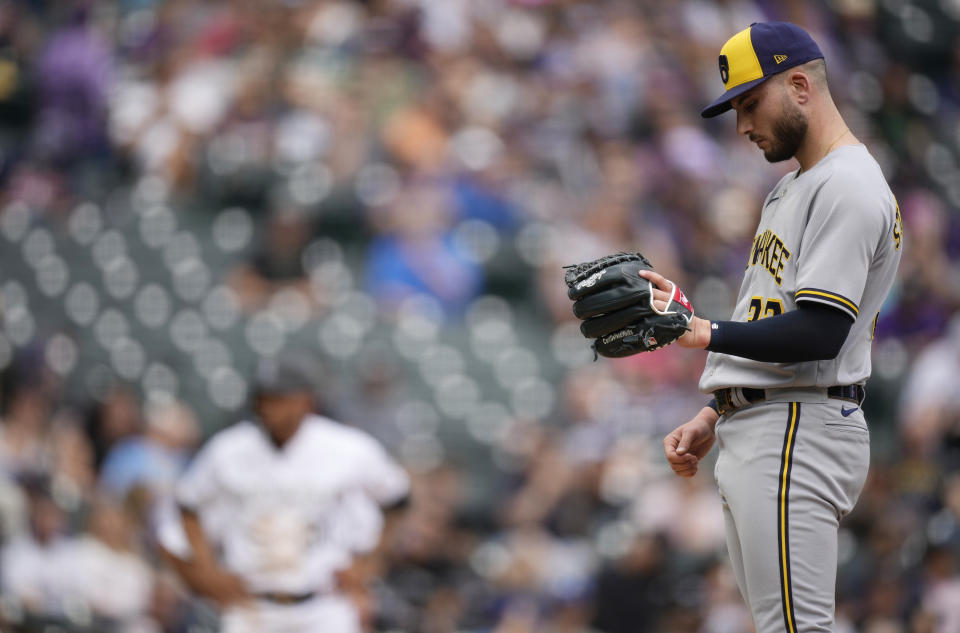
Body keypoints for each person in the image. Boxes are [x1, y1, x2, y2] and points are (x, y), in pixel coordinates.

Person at [642, 22, 903, 633]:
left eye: (751, 103)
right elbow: (776, 316)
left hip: (798, 425)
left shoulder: (848, 184)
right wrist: (718, 410)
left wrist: (704, 332)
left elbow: (818, 332)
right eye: (736, 108)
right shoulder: (794, 187)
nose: (741, 126)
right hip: (772, 417)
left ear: (801, 85)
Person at [162, 353, 410, 633]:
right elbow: (187, 506)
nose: (269, 408)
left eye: (280, 398)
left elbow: (398, 499)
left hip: (324, 604)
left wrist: (369, 563)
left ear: (307, 400)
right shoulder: (229, 449)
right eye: (264, 398)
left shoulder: (345, 447)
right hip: (252, 605)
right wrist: (208, 571)